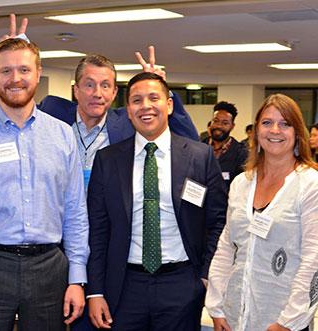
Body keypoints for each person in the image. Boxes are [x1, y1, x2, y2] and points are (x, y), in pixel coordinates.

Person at [0, 37, 89, 331]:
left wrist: (77, 278)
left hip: (49, 268)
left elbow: (75, 210)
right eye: (6, 71)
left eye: (24, 70)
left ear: (38, 74)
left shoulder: (63, 135)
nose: (15, 79)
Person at [87, 72, 227, 331]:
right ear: (128, 110)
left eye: (154, 98)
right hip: (124, 286)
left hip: (183, 285)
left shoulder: (200, 156)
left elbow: (218, 221)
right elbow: (97, 231)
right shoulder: (107, 160)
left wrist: (206, 274)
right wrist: (95, 292)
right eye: (137, 100)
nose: (146, 106)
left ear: (170, 104)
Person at [205, 94, 318, 331]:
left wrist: (287, 322)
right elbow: (226, 248)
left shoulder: (312, 186)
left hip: (282, 321)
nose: (275, 130)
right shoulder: (241, 183)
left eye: (285, 124)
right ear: (256, 131)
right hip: (234, 318)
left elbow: (314, 262)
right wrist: (216, 307)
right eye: (266, 123)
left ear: (297, 133)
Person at [0, 15, 200, 148]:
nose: (97, 93)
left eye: (105, 86)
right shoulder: (53, 111)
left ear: (114, 93)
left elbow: (188, 141)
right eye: (89, 84)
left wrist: (162, 89)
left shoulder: (127, 122)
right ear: (76, 91)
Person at [203, 101, 248, 190]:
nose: (219, 126)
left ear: (232, 126)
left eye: (225, 123)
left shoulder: (241, 154)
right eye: (215, 121)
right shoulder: (198, 148)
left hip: (228, 203)